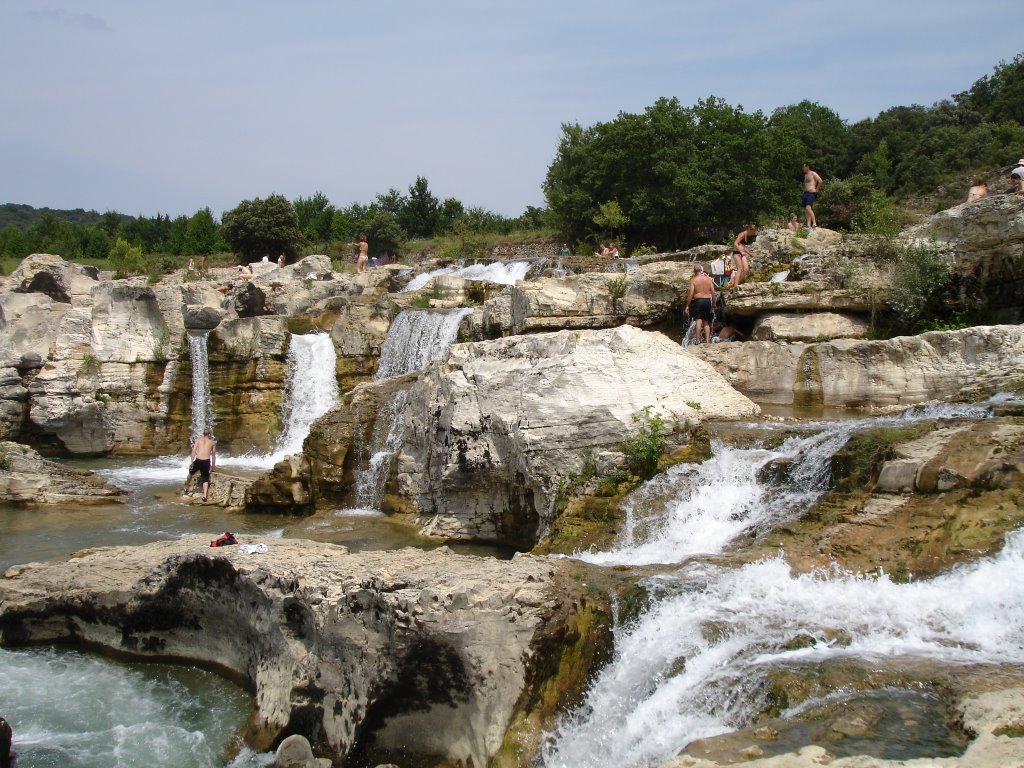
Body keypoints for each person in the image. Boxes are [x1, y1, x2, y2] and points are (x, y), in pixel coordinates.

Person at [685, 264, 717, 345]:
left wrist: (687, 305)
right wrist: (714, 303)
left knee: (698, 320)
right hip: (707, 301)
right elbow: (713, 292)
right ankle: (707, 341)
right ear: (701, 270)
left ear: (694, 271)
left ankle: (697, 341)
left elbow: (691, 294)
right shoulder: (708, 280)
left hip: (698, 301)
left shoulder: (694, 280)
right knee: (706, 321)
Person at [190, 428, 217, 502]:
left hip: (198, 460)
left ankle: (186, 486)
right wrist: (213, 466)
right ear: (208, 434)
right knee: (205, 478)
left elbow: (194, 451)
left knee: (191, 473)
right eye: (210, 434)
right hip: (206, 461)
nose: (211, 435)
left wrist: (192, 461)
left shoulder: (198, 440)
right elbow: (213, 455)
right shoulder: (212, 443)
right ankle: (204, 495)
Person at [802, 163, 824, 229]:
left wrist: (816, 189)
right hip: (805, 193)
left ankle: (814, 223)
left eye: (803, 167)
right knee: (806, 209)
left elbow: (820, 181)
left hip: (811, 193)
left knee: (808, 208)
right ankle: (808, 224)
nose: (802, 168)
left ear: (807, 167)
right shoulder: (805, 175)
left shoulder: (813, 173)